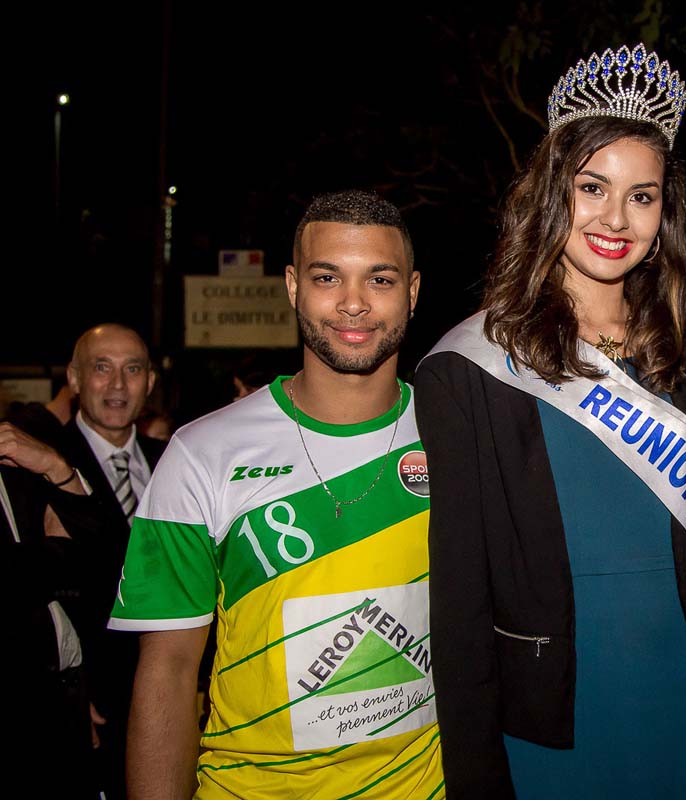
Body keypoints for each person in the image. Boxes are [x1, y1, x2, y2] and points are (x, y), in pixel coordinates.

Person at [416, 42, 686, 799]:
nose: (615, 218)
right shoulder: (468, 369)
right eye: (591, 186)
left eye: (642, 195)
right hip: (557, 711)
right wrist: (473, 775)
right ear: (548, 193)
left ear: (665, 215)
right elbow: (458, 605)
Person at [110, 190, 441, 799]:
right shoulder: (200, 454)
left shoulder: (458, 439)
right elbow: (169, 674)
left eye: (381, 279)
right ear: (292, 286)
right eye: (326, 277)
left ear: (413, 292)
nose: (353, 303)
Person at [57, 323, 167, 800]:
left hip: (170, 698)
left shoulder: (174, 461)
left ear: (150, 383)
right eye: (102, 368)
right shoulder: (39, 468)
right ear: (75, 378)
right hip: (89, 711)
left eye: (133, 369)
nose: (118, 385)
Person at [0, 421, 97, 798]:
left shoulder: (15, 453)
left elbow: (99, 559)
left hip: (61, 703)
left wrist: (57, 468)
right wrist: (60, 551)